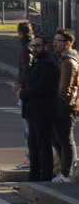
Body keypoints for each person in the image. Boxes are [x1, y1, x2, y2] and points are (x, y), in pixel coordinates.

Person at [22, 33, 63, 183]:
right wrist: (22, 88)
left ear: (46, 47)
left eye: (38, 45)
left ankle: (45, 178)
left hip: (43, 111)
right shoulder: (39, 62)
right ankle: (33, 178)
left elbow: (41, 88)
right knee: (33, 147)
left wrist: (22, 93)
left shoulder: (48, 63)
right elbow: (33, 84)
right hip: (35, 111)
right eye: (32, 46)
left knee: (44, 146)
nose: (34, 48)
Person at [55, 28, 79, 183]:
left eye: (58, 41)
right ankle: (66, 171)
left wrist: (57, 104)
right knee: (58, 139)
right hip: (65, 106)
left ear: (68, 43)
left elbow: (65, 89)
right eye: (55, 40)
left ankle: (66, 173)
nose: (55, 43)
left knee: (65, 140)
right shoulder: (65, 59)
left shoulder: (68, 61)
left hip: (66, 107)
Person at [16, 21, 35, 170]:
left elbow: (26, 68)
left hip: (27, 90)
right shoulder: (34, 45)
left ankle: (31, 158)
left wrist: (19, 84)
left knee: (27, 126)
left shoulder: (25, 48)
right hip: (32, 89)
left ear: (19, 33)